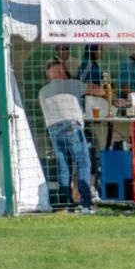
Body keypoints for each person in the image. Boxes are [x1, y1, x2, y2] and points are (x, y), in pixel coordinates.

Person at [38, 60, 95, 214]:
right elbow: (97, 90)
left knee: (64, 168)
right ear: (59, 73)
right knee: (83, 163)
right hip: (71, 126)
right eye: (62, 70)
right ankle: (86, 203)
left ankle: (66, 204)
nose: (64, 72)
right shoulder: (69, 84)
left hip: (53, 130)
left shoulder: (42, 91)